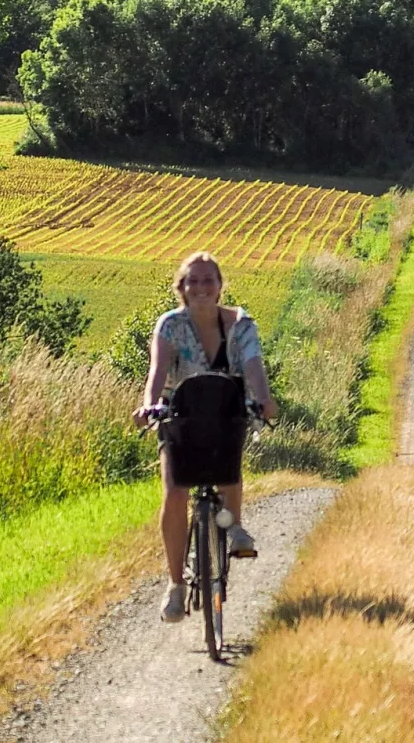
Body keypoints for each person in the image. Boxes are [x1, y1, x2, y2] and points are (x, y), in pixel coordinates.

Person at [133, 251, 278, 624]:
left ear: (219, 287)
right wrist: (148, 406)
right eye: (192, 281)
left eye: (208, 280)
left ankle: (235, 527)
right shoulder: (169, 326)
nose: (200, 287)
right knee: (175, 490)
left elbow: (253, 368)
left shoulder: (242, 325)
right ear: (181, 288)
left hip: (224, 411)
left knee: (228, 463)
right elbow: (157, 371)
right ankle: (176, 586)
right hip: (177, 413)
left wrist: (263, 400)